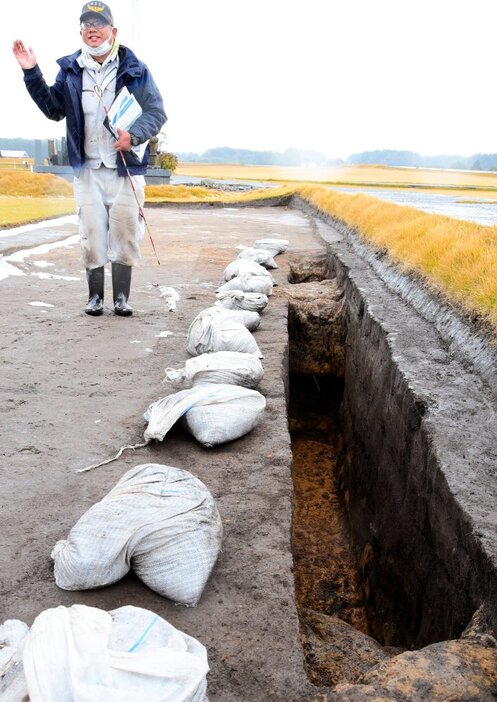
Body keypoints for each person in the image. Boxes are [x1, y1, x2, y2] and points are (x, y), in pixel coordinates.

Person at [12, 2, 167, 317]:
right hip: (88, 171)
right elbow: (54, 109)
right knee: (92, 234)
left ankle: (121, 298)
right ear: (80, 30)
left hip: (125, 169)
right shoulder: (71, 69)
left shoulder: (135, 69)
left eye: (99, 22)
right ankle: (94, 297)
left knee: (125, 232)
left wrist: (133, 136)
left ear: (113, 31)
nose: (92, 28)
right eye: (86, 24)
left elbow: (157, 112)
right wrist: (31, 72)